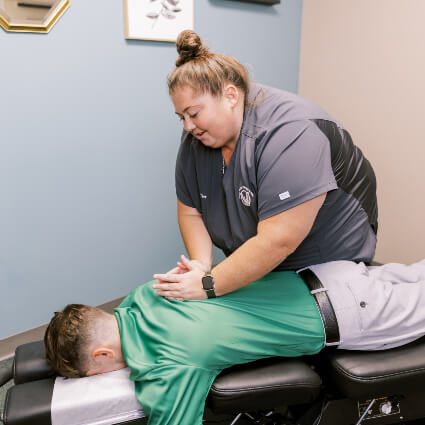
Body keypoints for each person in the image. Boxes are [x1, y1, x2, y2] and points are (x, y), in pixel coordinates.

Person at [45, 260, 425, 425]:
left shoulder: (165, 369)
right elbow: (123, 312)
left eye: (95, 372)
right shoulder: (149, 292)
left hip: (355, 313)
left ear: (102, 354)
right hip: (331, 274)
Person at [152, 30, 379, 301]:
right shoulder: (198, 136)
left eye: (194, 113)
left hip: (327, 266)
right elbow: (191, 211)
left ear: (231, 96)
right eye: (182, 117)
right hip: (261, 270)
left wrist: (207, 285)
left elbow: (279, 241)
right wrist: (201, 266)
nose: (188, 126)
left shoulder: (292, 133)